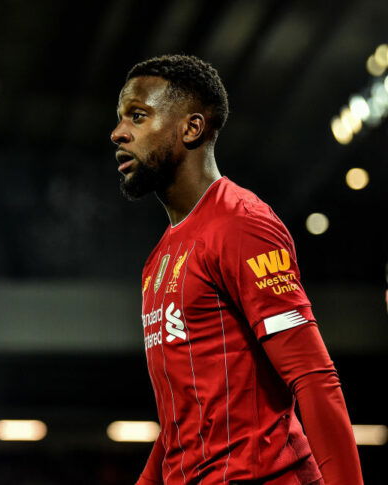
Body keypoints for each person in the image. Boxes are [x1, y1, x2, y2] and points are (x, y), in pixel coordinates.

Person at [110, 54, 363, 484]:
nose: (118, 133)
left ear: (191, 128)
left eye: (138, 116)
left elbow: (314, 377)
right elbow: (181, 423)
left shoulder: (242, 224)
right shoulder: (157, 261)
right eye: (120, 119)